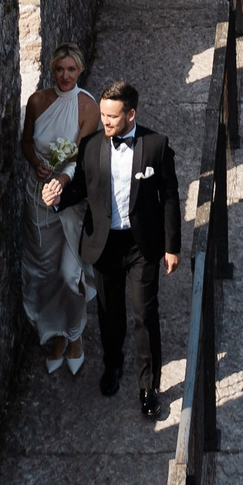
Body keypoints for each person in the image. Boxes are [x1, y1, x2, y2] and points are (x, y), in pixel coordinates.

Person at [64, 80, 180, 417]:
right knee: (108, 312)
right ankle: (112, 366)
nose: (106, 122)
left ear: (131, 114)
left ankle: (148, 387)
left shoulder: (156, 146)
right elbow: (82, 189)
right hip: (104, 244)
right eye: (102, 115)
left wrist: (172, 246)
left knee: (144, 315)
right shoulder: (90, 146)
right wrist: (58, 197)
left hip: (142, 245)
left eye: (113, 117)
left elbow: (170, 196)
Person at [22, 45, 100, 375]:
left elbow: (81, 158)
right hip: (38, 196)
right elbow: (26, 141)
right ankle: (56, 335)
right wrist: (36, 163)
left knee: (70, 274)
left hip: (70, 199)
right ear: (51, 70)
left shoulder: (88, 106)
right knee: (45, 270)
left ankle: (75, 333)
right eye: (59, 70)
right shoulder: (37, 102)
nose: (65, 76)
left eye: (71, 69)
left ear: (79, 71)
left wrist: (62, 182)